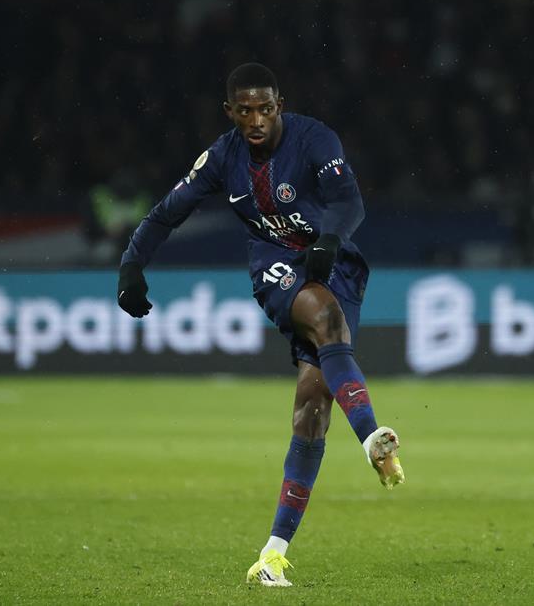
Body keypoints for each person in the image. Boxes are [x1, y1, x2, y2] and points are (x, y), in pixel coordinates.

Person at [116, 63, 405, 587]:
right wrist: (132, 265)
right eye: (245, 110)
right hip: (276, 265)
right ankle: (370, 438)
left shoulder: (314, 139)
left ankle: (272, 555)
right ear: (230, 112)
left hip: (333, 260)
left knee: (312, 409)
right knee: (325, 318)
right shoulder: (221, 158)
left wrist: (329, 241)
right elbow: (165, 214)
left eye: (265, 109)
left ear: (279, 106)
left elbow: (349, 201)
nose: (256, 120)